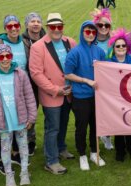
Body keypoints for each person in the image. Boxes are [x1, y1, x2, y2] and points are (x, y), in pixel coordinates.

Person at [0, 44, 37, 186]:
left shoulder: (20, 74)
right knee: (5, 149)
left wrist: (32, 117)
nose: (5, 59)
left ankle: (24, 172)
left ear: (11, 56)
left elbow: (30, 97)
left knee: (23, 147)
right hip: (3, 122)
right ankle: (9, 174)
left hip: (21, 119)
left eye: (8, 56)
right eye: (1, 56)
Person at [30, 13, 77, 174]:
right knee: (53, 127)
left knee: (64, 123)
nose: (56, 30)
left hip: (69, 93)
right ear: (47, 28)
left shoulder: (70, 42)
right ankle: (51, 161)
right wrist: (55, 89)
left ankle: (61, 148)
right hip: (52, 95)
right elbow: (36, 73)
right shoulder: (38, 46)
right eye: (53, 27)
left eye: (59, 26)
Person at [0, 15, 30, 174]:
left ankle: (16, 154)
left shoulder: (25, 41)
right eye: (9, 26)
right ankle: (1, 160)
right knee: (3, 123)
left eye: (16, 25)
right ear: (5, 28)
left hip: (21, 89)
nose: (13, 28)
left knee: (18, 123)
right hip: (3, 90)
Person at [65, 20, 106, 171]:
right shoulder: (74, 52)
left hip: (97, 95)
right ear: (82, 33)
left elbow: (106, 71)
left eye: (93, 32)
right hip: (81, 96)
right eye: (87, 32)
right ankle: (82, 154)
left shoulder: (99, 51)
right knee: (81, 126)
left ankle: (94, 152)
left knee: (96, 125)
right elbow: (68, 74)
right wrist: (85, 80)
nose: (90, 34)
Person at [106, 28, 131, 161]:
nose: (121, 48)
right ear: (113, 48)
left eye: (123, 45)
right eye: (118, 46)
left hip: (130, 98)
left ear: (128, 47)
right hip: (115, 99)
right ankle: (120, 151)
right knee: (118, 125)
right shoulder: (108, 63)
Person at [22, 12, 47, 157]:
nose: (36, 24)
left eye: (38, 21)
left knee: (50, 112)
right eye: (32, 21)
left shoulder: (47, 38)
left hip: (46, 81)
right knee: (30, 113)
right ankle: (30, 140)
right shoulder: (22, 41)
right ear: (27, 25)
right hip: (29, 84)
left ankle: (51, 140)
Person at [91, 8, 114, 150]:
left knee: (110, 111)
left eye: (107, 25)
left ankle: (108, 136)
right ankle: (98, 137)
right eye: (100, 25)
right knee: (96, 112)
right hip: (94, 82)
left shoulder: (114, 41)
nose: (104, 28)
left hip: (111, 82)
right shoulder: (91, 41)